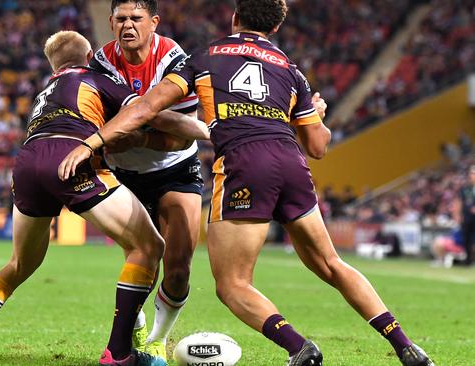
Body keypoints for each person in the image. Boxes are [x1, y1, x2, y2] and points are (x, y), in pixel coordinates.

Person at [58, 1, 435, 365]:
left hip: (244, 163)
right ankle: (405, 345)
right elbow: (318, 146)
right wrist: (317, 114)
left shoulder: (203, 58)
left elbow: (144, 107)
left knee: (232, 284)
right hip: (291, 161)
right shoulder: (290, 69)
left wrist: (91, 143)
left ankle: (298, 346)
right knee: (331, 263)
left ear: (235, 17)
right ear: (275, 27)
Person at [0, 31, 208, 366]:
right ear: (89, 54)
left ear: (52, 65)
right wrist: (209, 130)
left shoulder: (44, 93)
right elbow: (151, 113)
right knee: (149, 247)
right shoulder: (95, 78)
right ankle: (119, 354)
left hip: (27, 165)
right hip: (70, 157)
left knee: (19, 265)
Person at [88, 1, 203, 359]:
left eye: (136, 18)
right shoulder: (100, 64)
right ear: (110, 22)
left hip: (175, 168)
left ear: (153, 22)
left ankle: (157, 338)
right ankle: (135, 327)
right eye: (120, 19)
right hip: (124, 174)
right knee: (142, 261)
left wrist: (137, 136)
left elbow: (184, 137)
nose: (128, 25)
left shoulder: (175, 61)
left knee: (180, 265)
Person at [458, 165, 475, 266]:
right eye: (471, 174)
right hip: (468, 218)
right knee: (467, 238)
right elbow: (460, 202)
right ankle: (468, 259)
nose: (472, 176)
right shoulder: (465, 189)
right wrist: (459, 215)